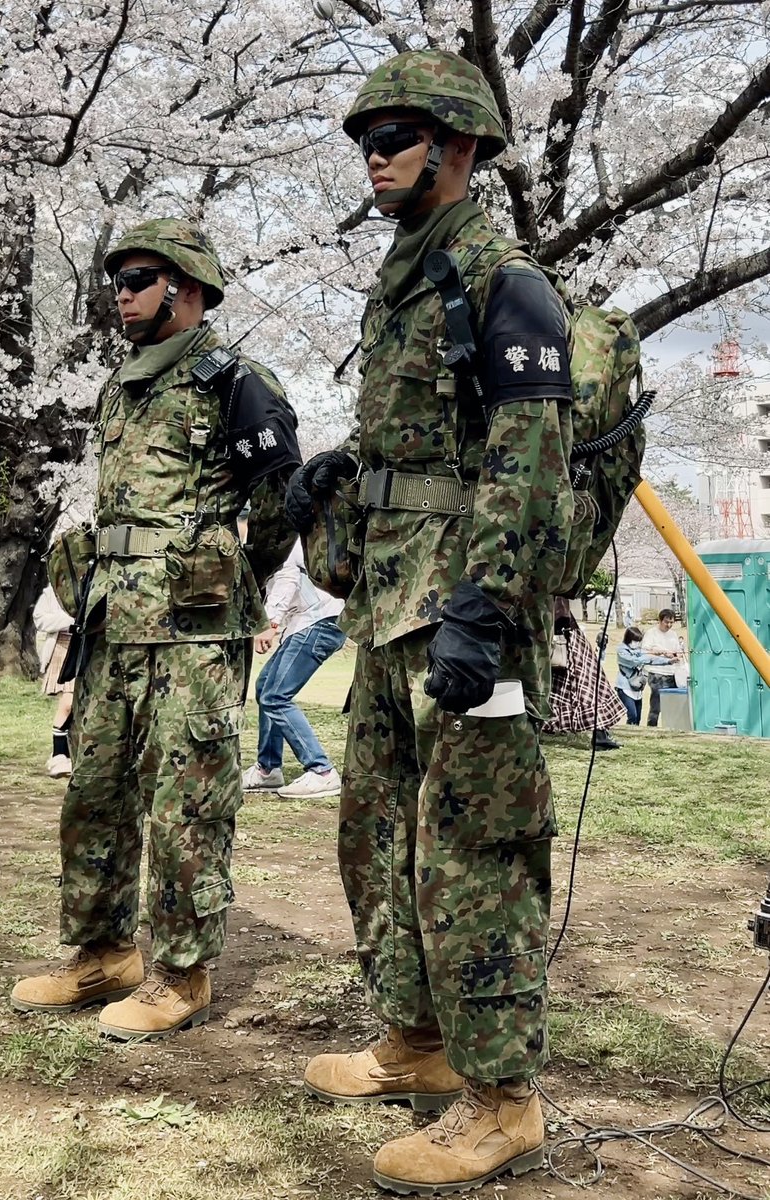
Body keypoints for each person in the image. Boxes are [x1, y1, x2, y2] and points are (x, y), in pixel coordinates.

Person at [286, 50, 576, 1196]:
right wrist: (346, 476)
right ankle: (418, 1037)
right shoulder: (407, 279)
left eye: (398, 134)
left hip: (465, 616)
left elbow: (529, 453)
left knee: (474, 854)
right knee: (374, 834)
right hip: (390, 608)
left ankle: (504, 1100)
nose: (377, 154)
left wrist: (488, 607)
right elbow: (428, 442)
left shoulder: (503, 279)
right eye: (368, 137)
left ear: (460, 149)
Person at [10, 218, 300, 1041]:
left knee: (187, 802)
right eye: (118, 281)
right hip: (114, 624)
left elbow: (279, 503)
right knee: (95, 792)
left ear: (187, 287)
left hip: (193, 634)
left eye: (137, 279)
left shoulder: (237, 380)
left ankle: (181, 971)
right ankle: (103, 952)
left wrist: (227, 576)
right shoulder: (122, 386)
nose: (121, 295)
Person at [242, 540, 346, 798]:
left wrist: (270, 622)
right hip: (310, 622)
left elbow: (288, 577)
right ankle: (268, 769)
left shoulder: (283, 541)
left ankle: (322, 772)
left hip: (319, 622)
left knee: (275, 696)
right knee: (265, 687)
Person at [544, 601, 624, 751]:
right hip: (560, 632)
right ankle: (599, 733)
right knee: (587, 682)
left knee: (573, 685)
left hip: (557, 631)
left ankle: (599, 731)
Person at [33, 586, 75, 779]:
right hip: (62, 647)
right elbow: (40, 619)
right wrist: (70, 620)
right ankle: (59, 754)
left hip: (89, 649)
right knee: (68, 703)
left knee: (80, 706)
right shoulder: (51, 591)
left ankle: (69, 753)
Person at [615, 625, 676, 726]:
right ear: (629, 639)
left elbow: (651, 659)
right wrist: (650, 655)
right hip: (625, 687)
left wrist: (668, 661)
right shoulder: (622, 650)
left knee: (638, 718)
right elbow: (634, 661)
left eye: (639, 640)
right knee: (632, 716)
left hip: (637, 688)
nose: (637, 643)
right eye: (635, 640)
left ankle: (634, 738)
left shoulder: (638, 650)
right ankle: (629, 735)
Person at [642, 608, 680, 727]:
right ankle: (651, 728)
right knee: (656, 706)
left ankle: (671, 727)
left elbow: (678, 651)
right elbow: (645, 651)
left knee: (672, 705)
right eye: (666, 622)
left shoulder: (673, 634)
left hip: (671, 673)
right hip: (657, 673)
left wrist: (676, 656)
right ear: (660, 620)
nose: (669, 625)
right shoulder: (651, 633)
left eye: (671, 622)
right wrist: (663, 652)